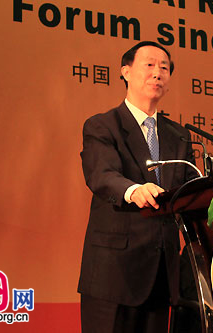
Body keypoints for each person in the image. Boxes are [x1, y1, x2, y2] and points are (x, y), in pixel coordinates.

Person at [78, 41, 198, 333]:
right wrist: (134, 190)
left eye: (165, 68)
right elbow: (102, 175)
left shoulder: (179, 136)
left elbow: (189, 191)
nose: (158, 73)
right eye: (149, 65)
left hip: (161, 273)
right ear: (126, 72)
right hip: (113, 272)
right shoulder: (103, 125)